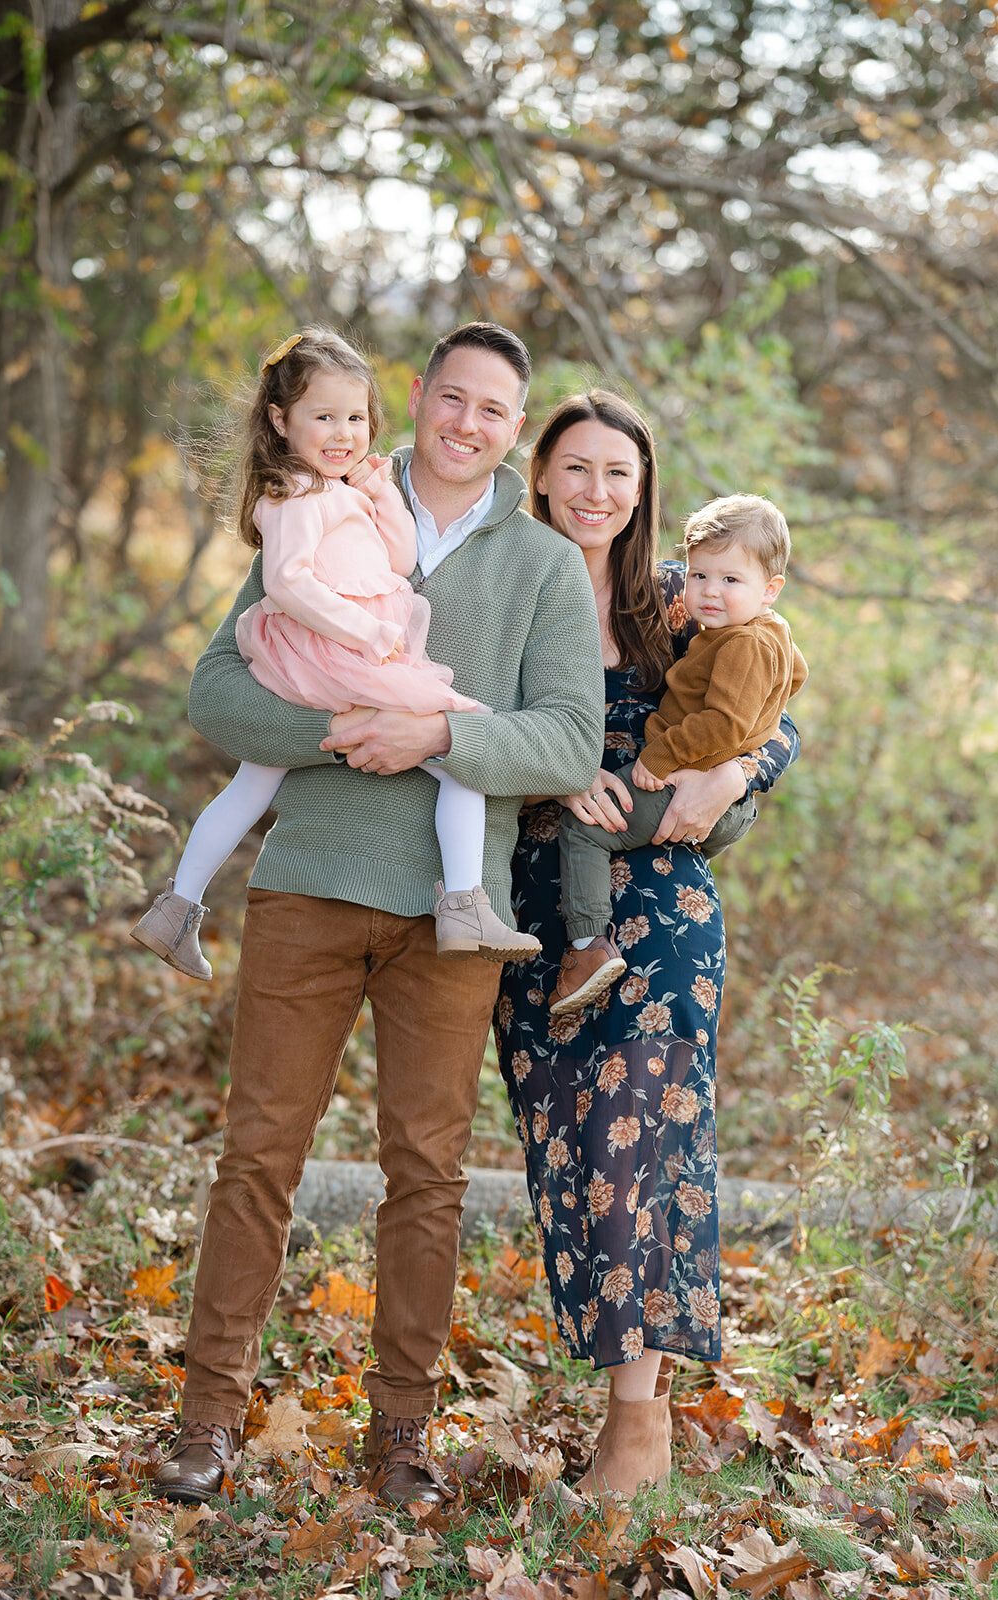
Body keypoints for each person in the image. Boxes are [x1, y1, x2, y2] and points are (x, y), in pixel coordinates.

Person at [151, 324, 605, 1508]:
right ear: (416, 397)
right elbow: (218, 687)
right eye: (450, 398)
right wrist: (345, 731)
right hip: (307, 886)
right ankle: (207, 1418)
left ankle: (399, 1432)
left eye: (494, 410)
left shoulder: (547, 565)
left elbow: (564, 737)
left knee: (429, 1174)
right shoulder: (323, 495)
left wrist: (440, 732)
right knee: (259, 1156)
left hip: (453, 916)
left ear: (519, 426)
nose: (467, 423)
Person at [494, 391, 800, 1499]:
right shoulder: (501, 587)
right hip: (538, 900)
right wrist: (544, 758)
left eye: (618, 473)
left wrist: (736, 771)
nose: (596, 490)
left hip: (663, 910)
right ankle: (621, 1397)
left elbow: (779, 699)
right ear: (539, 474)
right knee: (571, 1146)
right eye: (576, 467)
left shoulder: (677, 599)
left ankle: (640, 1423)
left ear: (643, 490)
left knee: (648, 1147)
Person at [130, 327, 539, 980]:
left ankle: (176, 908)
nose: (343, 432)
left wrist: (380, 499)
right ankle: (464, 904)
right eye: (324, 417)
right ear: (279, 419)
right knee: (463, 743)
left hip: (332, 653)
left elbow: (398, 562)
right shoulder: (292, 496)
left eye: (355, 417)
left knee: (251, 783)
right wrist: (366, 634)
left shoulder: (337, 489)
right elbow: (287, 581)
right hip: (334, 654)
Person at [550, 492, 808, 1015]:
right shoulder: (760, 631)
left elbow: (735, 722)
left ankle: (585, 948)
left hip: (685, 783)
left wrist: (672, 760)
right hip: (695, 799)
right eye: (700, 576)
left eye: (731, 580)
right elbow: (793, 677)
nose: (710, 591)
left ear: (770, 590)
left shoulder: (736, 639)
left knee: (583, 831)